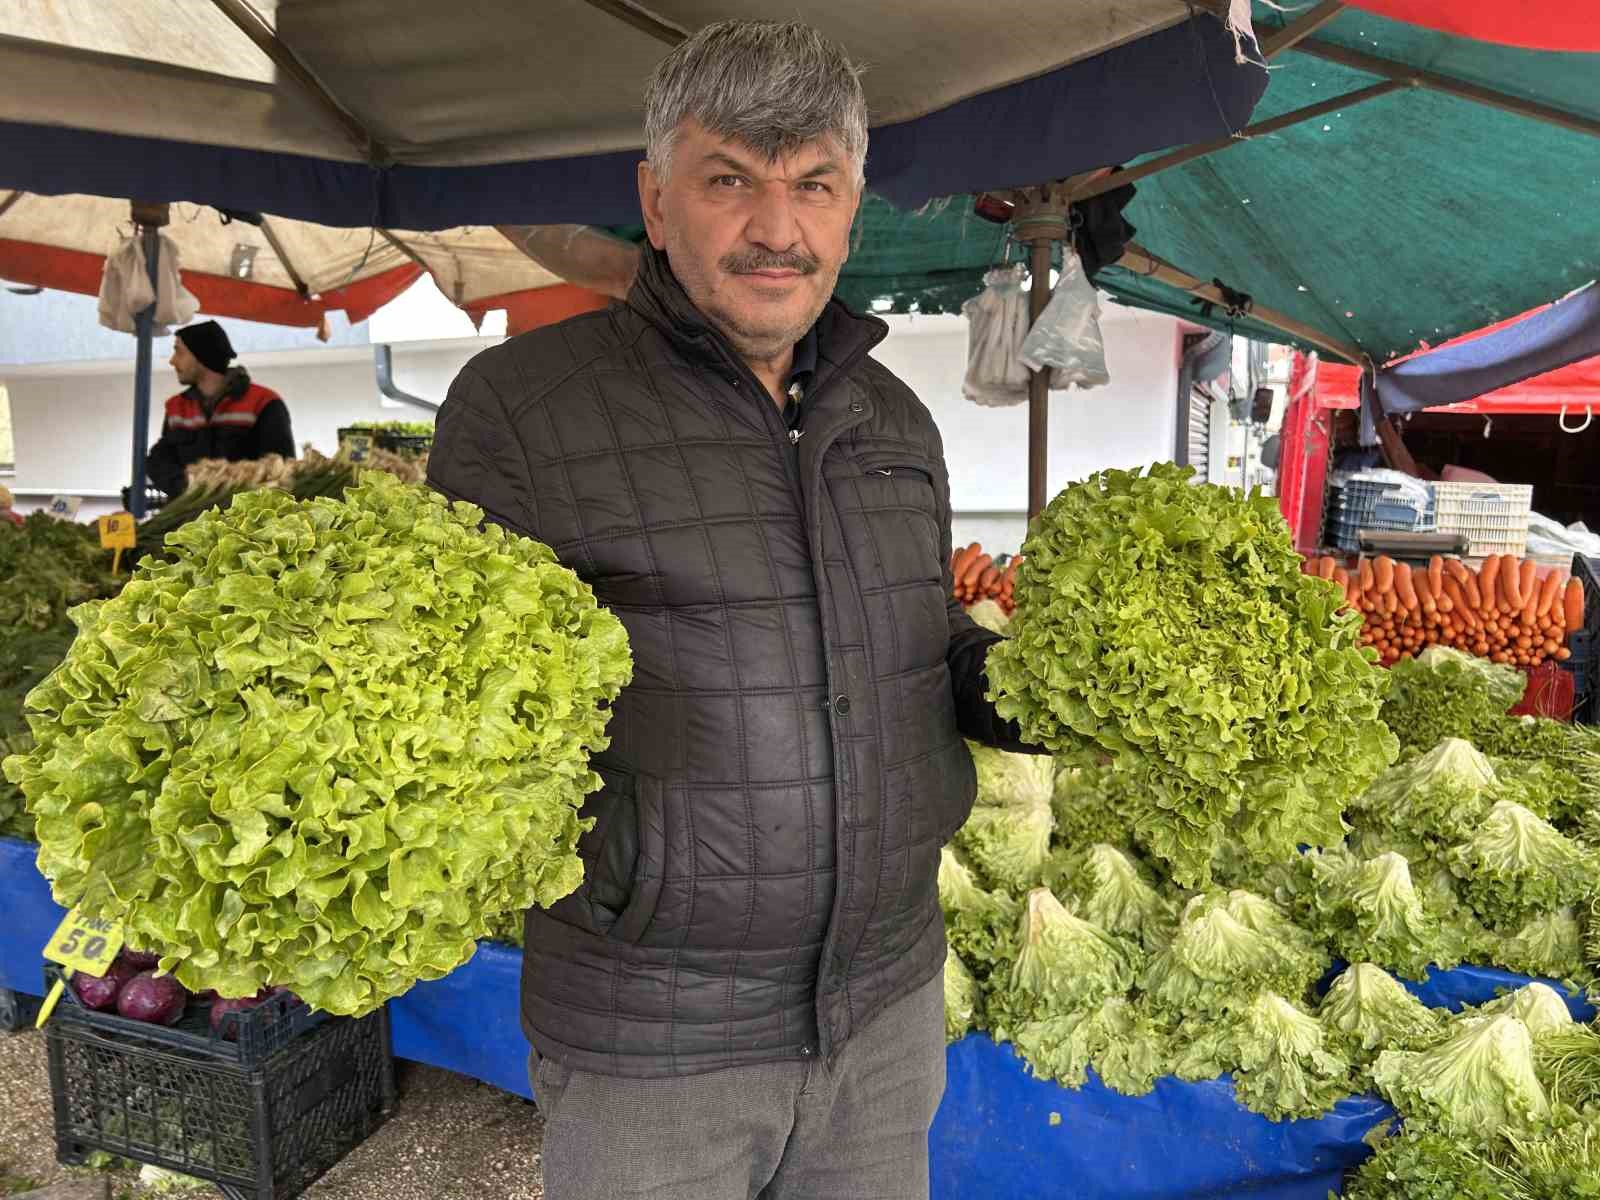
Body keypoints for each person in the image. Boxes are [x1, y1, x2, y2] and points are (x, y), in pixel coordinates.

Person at [428, 19, 1038, 1200]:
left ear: (852, 206)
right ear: (654, 203)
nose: (777, 227)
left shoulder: (893, 420)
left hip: (886, 1007)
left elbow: (923, 643)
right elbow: (456, 714)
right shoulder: (522, 408)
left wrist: (1031, 685)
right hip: (653, 1039)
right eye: (729, 183)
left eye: (813, 184)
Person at [144, 320, 294, 498]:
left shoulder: (264, 402)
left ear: (201, 356)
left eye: (178, 351)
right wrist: (188, 487)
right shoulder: (177, 407)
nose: (172, 361)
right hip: (190, 518)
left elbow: (282, 469)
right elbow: (160, 461)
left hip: (244, 518)